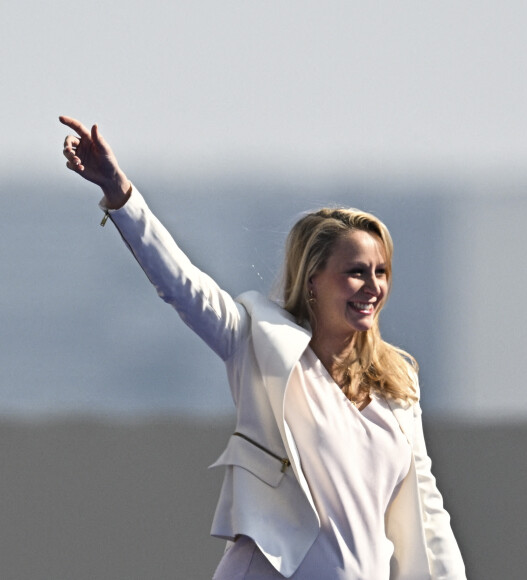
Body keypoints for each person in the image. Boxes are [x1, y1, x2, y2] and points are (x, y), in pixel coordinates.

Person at [60, 115, 467, 580]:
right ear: (312, 279)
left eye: (381, 272)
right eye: (356, 271)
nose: (372, 286)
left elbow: (427, 509)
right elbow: (183, 286)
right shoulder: (262, 345)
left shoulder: (397, 381)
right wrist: (121, 195)